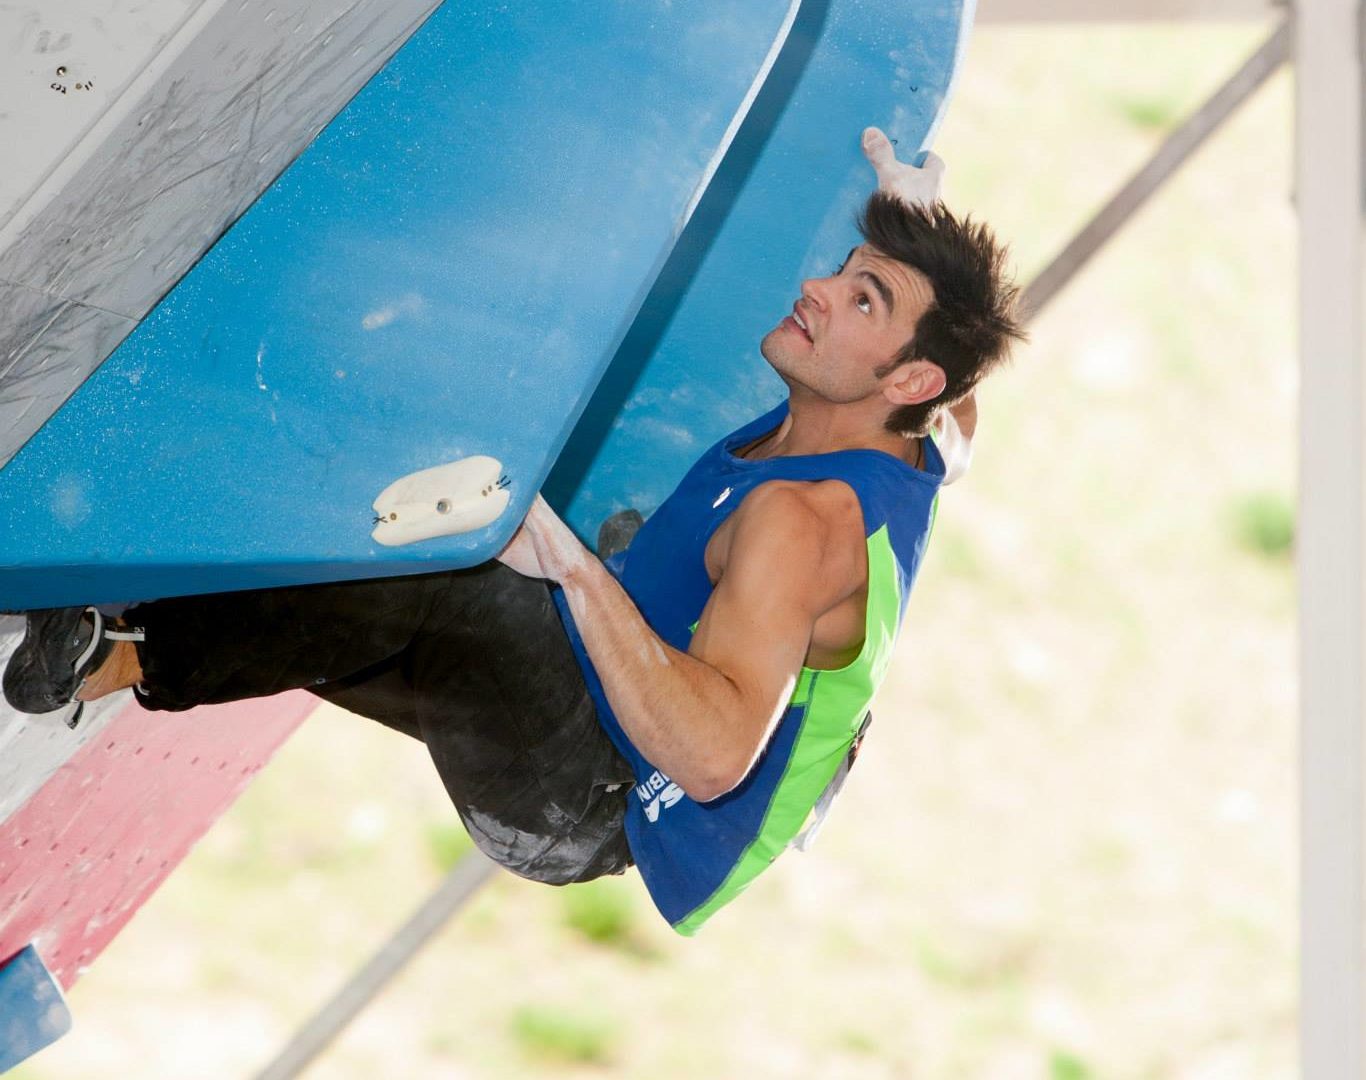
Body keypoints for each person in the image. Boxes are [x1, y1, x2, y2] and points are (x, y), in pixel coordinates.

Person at [3, 129, 1024, 933]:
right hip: (623, 692)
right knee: (423, 574)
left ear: (906, 378)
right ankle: (177, 604)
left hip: (586, 795)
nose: (815, 288)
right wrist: (907, 229)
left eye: (860, 298)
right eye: (843, 270)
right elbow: (961, 406)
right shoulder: (913, 426)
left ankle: (124, 658)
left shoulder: (800, 523)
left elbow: (714, 758)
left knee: (466, 564)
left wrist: (577, 576)